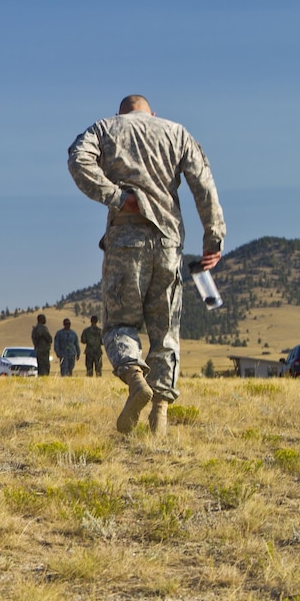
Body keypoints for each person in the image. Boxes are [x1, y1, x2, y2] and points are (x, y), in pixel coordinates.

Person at [68, 94, 225, 436]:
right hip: (169, 243)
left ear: (120, 113)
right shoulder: (176, 132)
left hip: (126, 240)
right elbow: (204, 183)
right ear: (153, 113)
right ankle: (161, 412)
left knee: (119, 324)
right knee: (165, 329)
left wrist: (116, 197)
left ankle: (135, 378)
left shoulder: (106, 128)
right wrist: (214, 238)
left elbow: (78, 159)